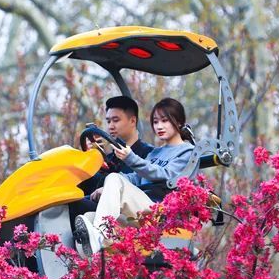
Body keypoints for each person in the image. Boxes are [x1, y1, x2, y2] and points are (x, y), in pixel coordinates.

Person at [74, 97, 194, 256]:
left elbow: (166, 176)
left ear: (178, 122)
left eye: (165, 121)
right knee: (89, 217)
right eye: (156, 122)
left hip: (160, 214)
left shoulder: (187, 152)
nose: (159, 126)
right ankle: (93, 259)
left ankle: (100, 238)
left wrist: (130, 158)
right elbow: (136, 177)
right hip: (140, 212)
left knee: (114, 181)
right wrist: (108, 188)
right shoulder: (155, 153)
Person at [70, 96, 154, 223]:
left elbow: (143, 186)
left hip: (125, 214)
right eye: (108, 121)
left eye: (116, 120)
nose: (111, 126)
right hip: (101, 206)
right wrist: (91, 156)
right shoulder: (109, 158)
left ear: (132, 121)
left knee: (73, 207)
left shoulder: (147, 154)